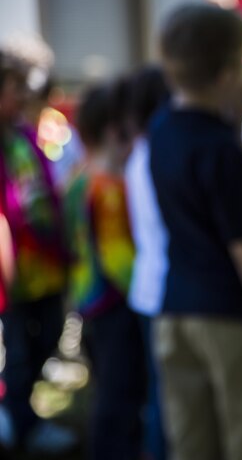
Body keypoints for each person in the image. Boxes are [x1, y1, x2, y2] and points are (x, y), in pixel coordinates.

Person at [149, 3, 242, 460]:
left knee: (192, 441)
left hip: (174, 310)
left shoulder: (160, 130)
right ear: (225, 73)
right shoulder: (220, 149)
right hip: (230, 317)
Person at [0, 51, 77, 455]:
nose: (20, 97)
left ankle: (21, 415)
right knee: (18, 349)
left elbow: (46, 192)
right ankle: (20, 421)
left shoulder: (26, 136)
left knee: (48, 334)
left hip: (45, 262)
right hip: (12, 272)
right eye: (12, 90)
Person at [64, 80, 145, 460]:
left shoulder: (79, 177)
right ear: (115, 130)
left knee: (108, 388)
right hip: (116, 304)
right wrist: (145, 293)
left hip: (89, 301)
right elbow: (117, 258)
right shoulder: (108, 185)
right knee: (119, 394)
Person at [125, 65, 171, 460]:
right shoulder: (158, 153)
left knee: (160, 397)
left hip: (148, 288)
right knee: (166, 401)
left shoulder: (139, 153)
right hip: (164, 290)